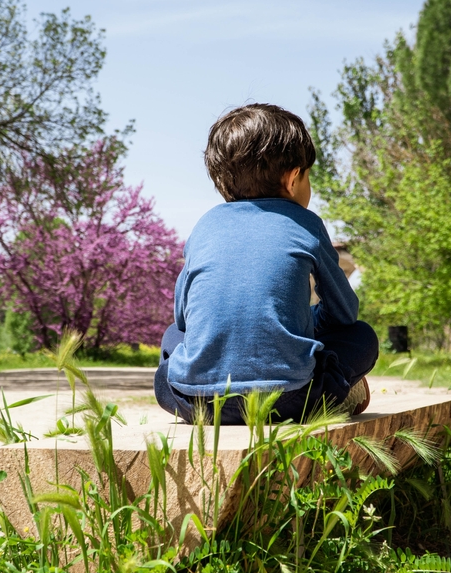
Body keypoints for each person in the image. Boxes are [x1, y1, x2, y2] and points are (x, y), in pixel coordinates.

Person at [154, 103, 379, 425]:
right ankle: (339, 389)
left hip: (194, 402)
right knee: (361, 335)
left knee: (172, 334)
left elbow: (183, 320)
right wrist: (308, 321)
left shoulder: (204, 226)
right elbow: (345, 314)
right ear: (293, 178)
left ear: (221, 180)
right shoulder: (306, 223)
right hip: (292, 401)